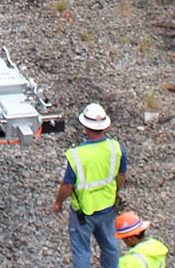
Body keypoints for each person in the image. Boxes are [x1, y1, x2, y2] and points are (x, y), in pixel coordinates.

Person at [53, 103, 128, 268]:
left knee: (82, 251)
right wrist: (115, 194)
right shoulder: (116, 149)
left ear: (85, 127)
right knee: (110, 246)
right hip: (108, 207)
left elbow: (67, 186)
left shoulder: (77, 155)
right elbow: (121, 176)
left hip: (83, 212)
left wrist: (58, 203)